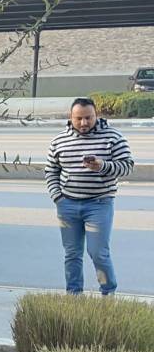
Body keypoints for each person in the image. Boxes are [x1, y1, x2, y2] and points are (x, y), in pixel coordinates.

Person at [44, 97, 134, 296]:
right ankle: (74, 294)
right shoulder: (59, 140)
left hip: (99, 203)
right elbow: (51, 170)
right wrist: (57, 196)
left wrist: (102, 166)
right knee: (72, 254)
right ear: (71, 117)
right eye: (79, 119)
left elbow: (127, 167)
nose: (84, 123)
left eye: (88, 118)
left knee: (98, 253)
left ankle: (108, 292)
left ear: (96, 115)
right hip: (67, 204)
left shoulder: (113, 137)